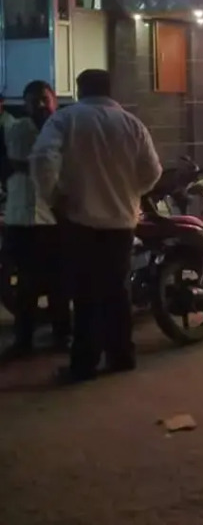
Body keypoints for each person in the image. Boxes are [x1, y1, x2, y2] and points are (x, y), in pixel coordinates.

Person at [31, 69, 162, 383]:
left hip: (80, 221)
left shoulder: (66, 119)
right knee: (117, 291)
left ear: (80, 90)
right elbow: (152, 172)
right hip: (121, 222)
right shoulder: (132, 124)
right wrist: (130, 192)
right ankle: (121, 356)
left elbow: (42, 157)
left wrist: (54, 197)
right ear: (110, 90)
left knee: (85, 294)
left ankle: (84, 363)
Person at [0, 81, 71, 361]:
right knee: (25, 286)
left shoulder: (65, 128)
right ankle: (24, 340)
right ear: (25, 105)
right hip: (20, 219)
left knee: (59, 282)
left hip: (54, 219)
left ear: (55, 100)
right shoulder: (16, 129)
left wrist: (25, 166)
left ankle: (62, 334)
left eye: (44, 99)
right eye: (33, 101)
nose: (40, 105)